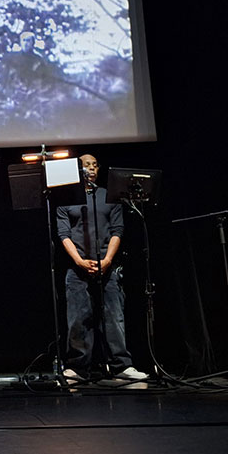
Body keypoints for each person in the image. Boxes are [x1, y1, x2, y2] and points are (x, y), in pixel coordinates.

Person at [56, 154, 148, 384]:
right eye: (87, 165)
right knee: (78, 318)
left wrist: (107, 260)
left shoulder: (109, 196)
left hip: (108, 265)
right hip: (77, 267)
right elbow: (63, 234)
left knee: (113, 317)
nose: (92, 169)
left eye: (95, 165)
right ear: (78, 169)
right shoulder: (67, 198)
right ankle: (77, 367)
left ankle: (121, 366)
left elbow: (117, 230)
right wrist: (79, 261)